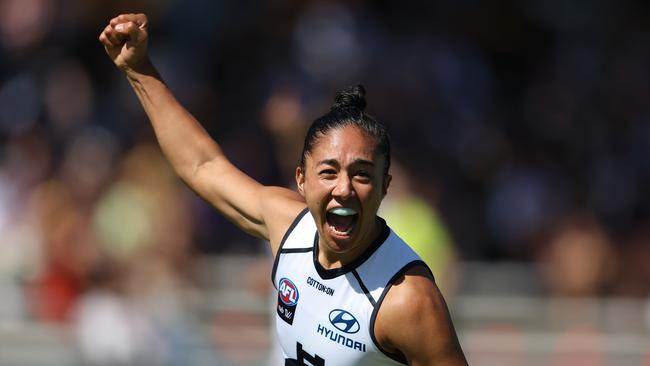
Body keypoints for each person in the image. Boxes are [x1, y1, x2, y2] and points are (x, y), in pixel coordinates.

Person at [99, 13, 468, 366]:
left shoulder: (409, 300)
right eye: (328, 172)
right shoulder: (289, 227)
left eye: (362, 174)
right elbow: (202, 166)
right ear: (301, 179)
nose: (343, 189)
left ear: (385, 186)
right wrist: (139, 70)